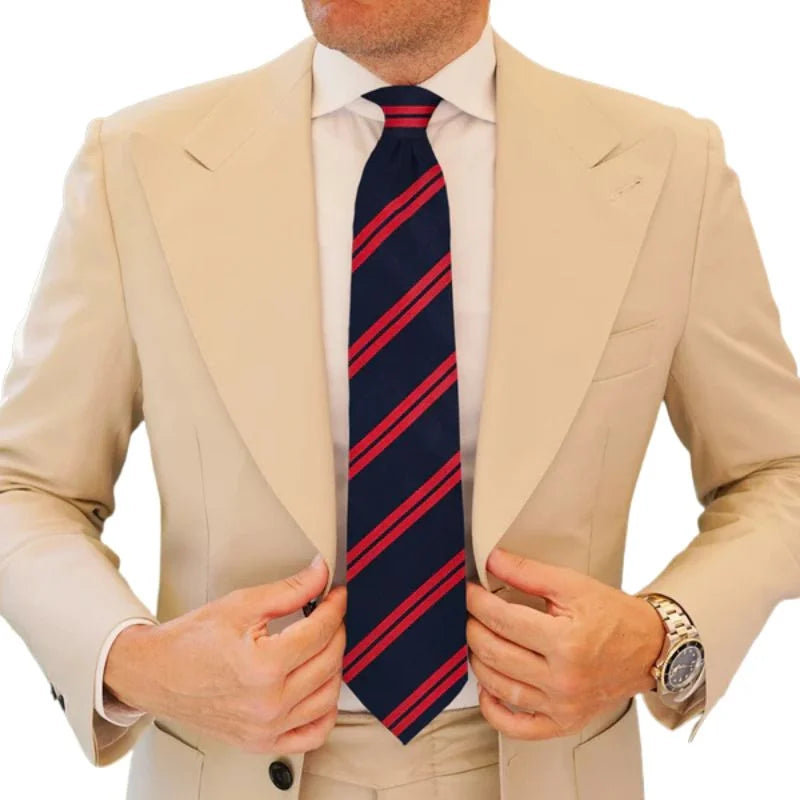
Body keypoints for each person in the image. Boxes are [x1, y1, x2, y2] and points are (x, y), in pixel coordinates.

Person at [2, 1, 800, 798]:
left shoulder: (666, 166)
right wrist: (140, 663)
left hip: (546, 768)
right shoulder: (139, 162)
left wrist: (660, 636)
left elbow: (780, 470)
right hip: (223, 766)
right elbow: (24, 487)